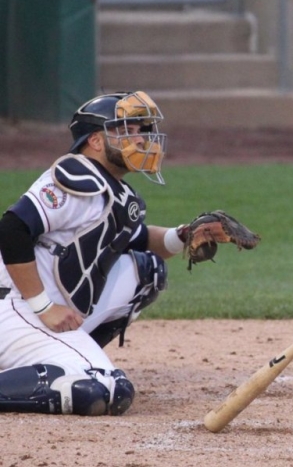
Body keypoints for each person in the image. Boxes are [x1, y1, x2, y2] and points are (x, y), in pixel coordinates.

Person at [0, 91, 190, 416]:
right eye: (127, 131)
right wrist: (43, 306)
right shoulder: (76, 178)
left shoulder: (111, 190)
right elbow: (12, 229)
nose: (140, 139)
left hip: (45, 307)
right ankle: (68, 360)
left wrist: (185, 236)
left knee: (148, 272)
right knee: (103, 388)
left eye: (140, 131)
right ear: (96, 141)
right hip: (18, 309)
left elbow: (139, 239)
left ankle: (64, 354)